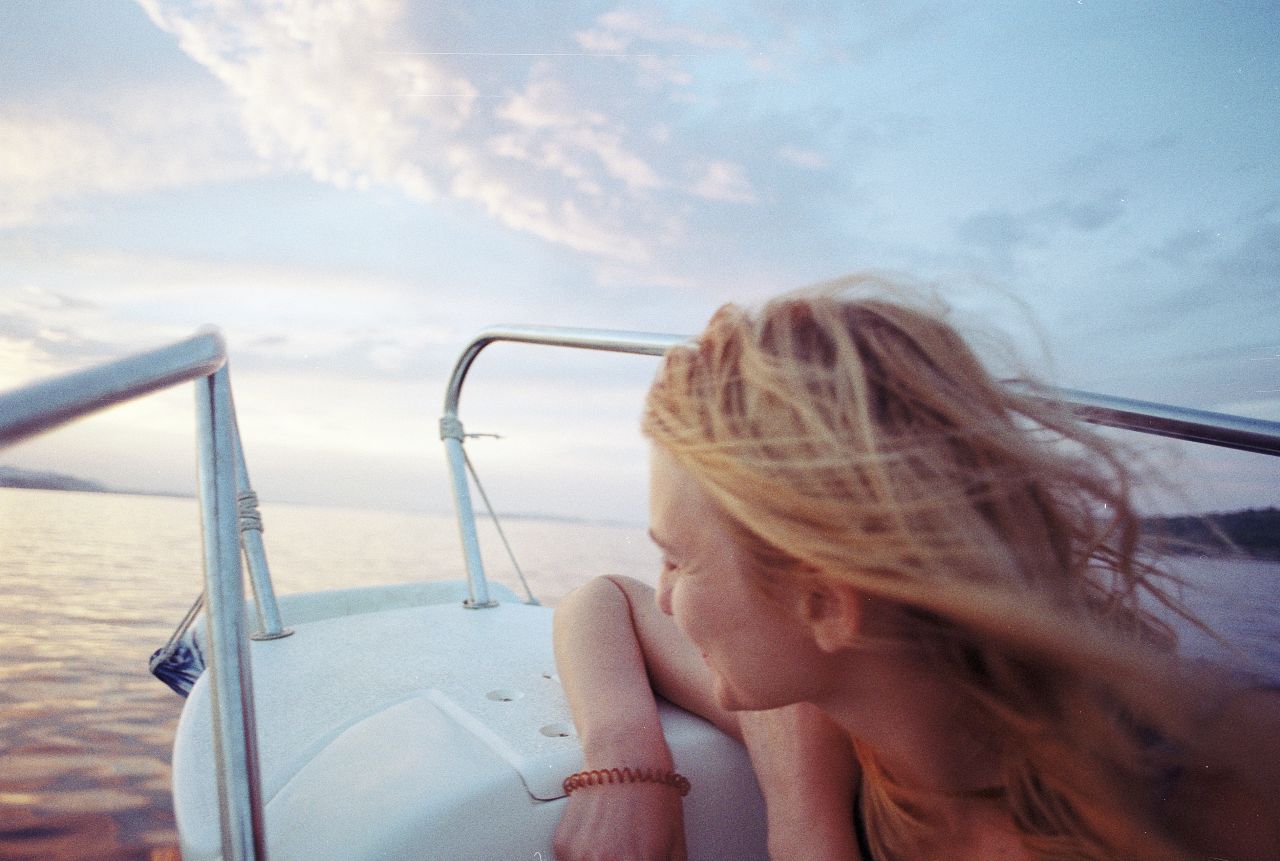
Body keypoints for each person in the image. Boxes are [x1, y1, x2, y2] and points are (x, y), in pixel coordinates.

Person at [550, 278, 1280, 861]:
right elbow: (605, 601)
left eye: (678, 560)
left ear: (826, 602)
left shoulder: (1212, 790)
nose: (666, 597)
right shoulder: (864, 719)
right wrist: (628, 767)